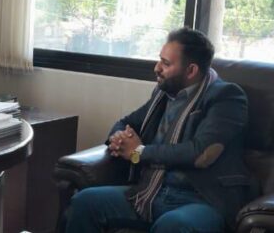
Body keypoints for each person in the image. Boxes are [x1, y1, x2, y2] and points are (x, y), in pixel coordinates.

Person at [66, 28, 254, 233]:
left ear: (191, 71)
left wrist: (139, 152)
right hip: (150, 191)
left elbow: (201, 154)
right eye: (159, 60)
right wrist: (120, 138)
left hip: (201, 200)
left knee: (174, 225)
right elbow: (126, 122)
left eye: (166, 63)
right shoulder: (164, 93)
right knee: (84, 202)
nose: (157, 68)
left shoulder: (226, 97)